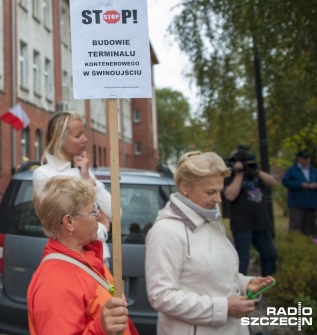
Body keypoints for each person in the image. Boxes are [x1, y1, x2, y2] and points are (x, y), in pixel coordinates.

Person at [145, 151, 275, 335]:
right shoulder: (166, 231)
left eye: (219, 190)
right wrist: (223, 308)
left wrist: (246, 284)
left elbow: (212, 274)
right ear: (184, 187)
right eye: (210, 192)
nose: (219, 199)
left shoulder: (210, 219)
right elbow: (161, 297)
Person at [27, 176, 137, 335]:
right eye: (93, 211)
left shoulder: (86, 256)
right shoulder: (55, 283)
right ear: (69, 222)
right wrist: (101, 328)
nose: (98, 216)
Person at [32, 111, 114, 266]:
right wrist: (102, 229)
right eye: (78, 135)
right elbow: (60, 226)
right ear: (59, 140)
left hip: (100, 258)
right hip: (72, 259)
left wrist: (88, 178)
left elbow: (115, 212)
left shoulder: (84, 170)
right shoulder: (44, 174)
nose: (85, 139)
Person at [224, 146, 278, 276]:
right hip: (242, 225)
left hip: (261, 223)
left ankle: (267, 283)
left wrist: (256, 171)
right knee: (242, 260)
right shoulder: (230, 176)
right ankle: (239, 289)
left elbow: (273, 182)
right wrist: (239, 174)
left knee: (270, 254)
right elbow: (230, 195)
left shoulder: (255, 174)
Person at [282, 150, 317, 237]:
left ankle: (309, 244)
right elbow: (285, 182)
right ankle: (294, 243)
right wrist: (299, 184)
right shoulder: (292, 170)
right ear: (299, 159)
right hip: (297, 203)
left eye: (308, 158)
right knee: (296, 226)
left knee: (310, 227)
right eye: (304, 158)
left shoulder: (314, 171)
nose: (306, 160)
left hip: (311, 203)